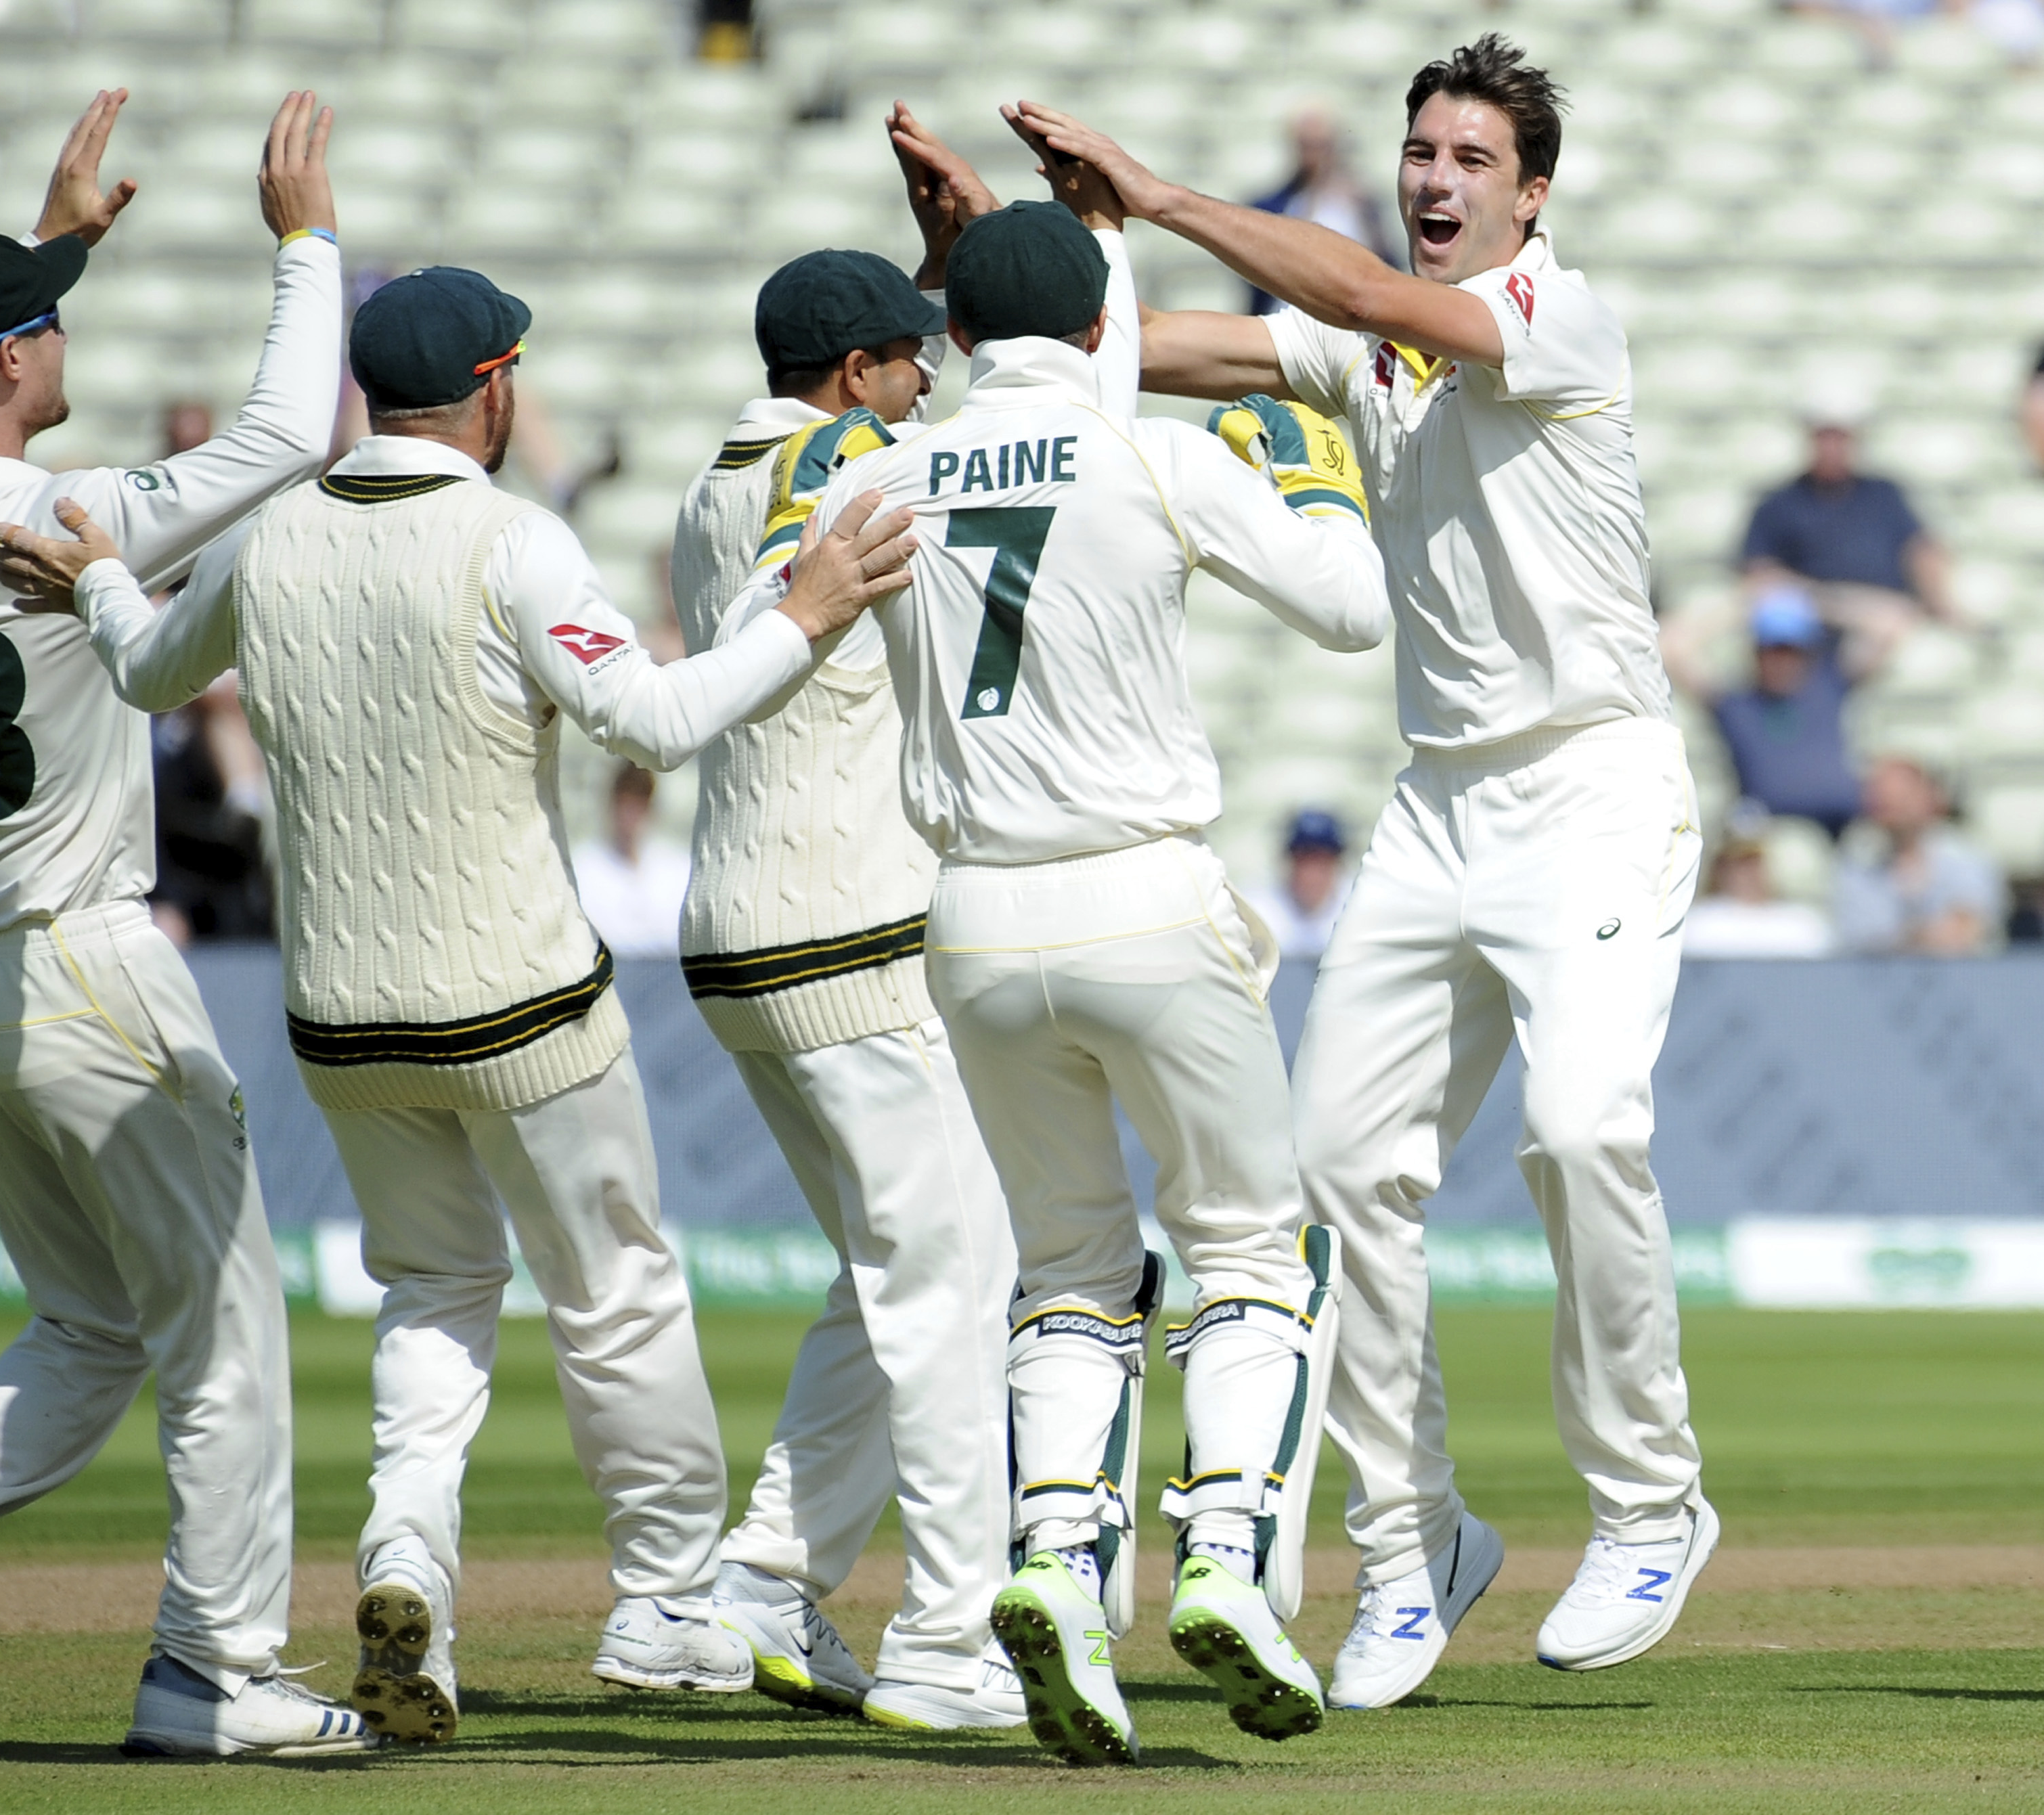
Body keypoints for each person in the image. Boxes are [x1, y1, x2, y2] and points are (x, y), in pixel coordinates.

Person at [0, 264, 920, 1749]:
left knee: (430, 1294)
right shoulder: (513, 541)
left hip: (342, 1020)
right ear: (491, 389)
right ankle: (670, 1599)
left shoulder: (269, 537)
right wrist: (799, 618)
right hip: (524, 1003)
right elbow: (658, 725)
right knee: (614, 1291)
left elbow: (149, 667)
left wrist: (97, 569)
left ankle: (407, 1554)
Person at [1019, 29, 1723, 1705]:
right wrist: (1008, 258)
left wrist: (1159, 193)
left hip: (1594, 789)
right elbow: (1142, 356)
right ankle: (1410, 1549)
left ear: (1530, 195)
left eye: (1471, 161)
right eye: (1420, 152)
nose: (1433, 179)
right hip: (1436, 814)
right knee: (1333, 1179)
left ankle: (1648, 1503)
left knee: (1578, 1127)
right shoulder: (1368, 352)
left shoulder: (1554, 317)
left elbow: (1372, 309)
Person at [731, 196, 1389, 1764]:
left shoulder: (881, 467)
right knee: (1246, 1253)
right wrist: (1305, 473)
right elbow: (1353, 615)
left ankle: (1048, 1574)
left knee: (1069, 1278)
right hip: (1142, 895)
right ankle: (1223, 1563)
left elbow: (774, 614)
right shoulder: (1152, 456)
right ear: (1104, 328)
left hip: (964, 917)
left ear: (949, 337)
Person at [0, 92, 372, 1756]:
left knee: (91, 1321)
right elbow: (288, 436)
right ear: (11, 364)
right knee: (223, 1327)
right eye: (47, 320)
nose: (63, 331)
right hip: (91, 966)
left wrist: (51, 238)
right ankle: (214, 1677)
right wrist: (304, 241)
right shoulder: (66, 521)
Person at [670, 104, 1049, 1733]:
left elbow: (833, 445)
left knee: (890, 1265)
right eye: (909, 361)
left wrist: (934, 272)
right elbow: (883, 476)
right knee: (955, 1278)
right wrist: (1003, 282)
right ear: (855, 379)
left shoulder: (735, 455)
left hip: (739, 926)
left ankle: (767, 1571)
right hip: (841, 924)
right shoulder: (839, 458)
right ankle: (948, 1644)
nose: (928, 382)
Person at [1741, 401, 1953, 626]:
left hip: (1878, 607)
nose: (1832, 448)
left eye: (1840, 439)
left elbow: (1922, 548)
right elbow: (1760, 570)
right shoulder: (1780, 502)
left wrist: (1939, 600)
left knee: (1888, 624)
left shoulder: (1883, 496)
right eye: (1824, 438)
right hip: (1808, 611)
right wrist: (1821, 598)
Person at [1706, 588, 1864, 839]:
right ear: (1756, 654)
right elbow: (1672, 647)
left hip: (1849, 831)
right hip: (1774, 834)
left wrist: (1815, 602)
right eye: (1772, 651)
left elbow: (1893, 628)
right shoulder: (1738, 703)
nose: (1781, 662)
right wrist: (1748, 604)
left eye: (1792, 652)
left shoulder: (1830, 685)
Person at [1834, 755, 2005, 955]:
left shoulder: (1968, 856)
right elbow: (1861, 937)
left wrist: (1908, 938)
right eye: (1884, 799)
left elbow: (1966, 934)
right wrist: (1926, 935)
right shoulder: (1857, 861)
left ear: (1930, 797)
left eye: (1903, 798)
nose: (1893, 808)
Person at [1247, 107, 1397, 313]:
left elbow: (1386, 266)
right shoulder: (1272, 205)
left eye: (1321, 146)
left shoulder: (1359, 202)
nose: (1314, 156)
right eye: (1307, 146)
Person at [571, 762, 689, 956]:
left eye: (638, 806)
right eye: (624, 805)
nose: (630, 817)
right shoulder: (582, 868)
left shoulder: (678, 869)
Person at [1681, 811, 1835, 960]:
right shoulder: (1698, 927)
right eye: (1737, 863)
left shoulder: (1805, 927)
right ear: (1719, 868)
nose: (1747, 873)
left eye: (1755, 862)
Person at [1244, 809, 1352, 959]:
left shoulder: (1357, 910)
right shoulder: (1257, 913)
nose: (1313, 876)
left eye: (1321, 863)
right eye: (1305, 862)